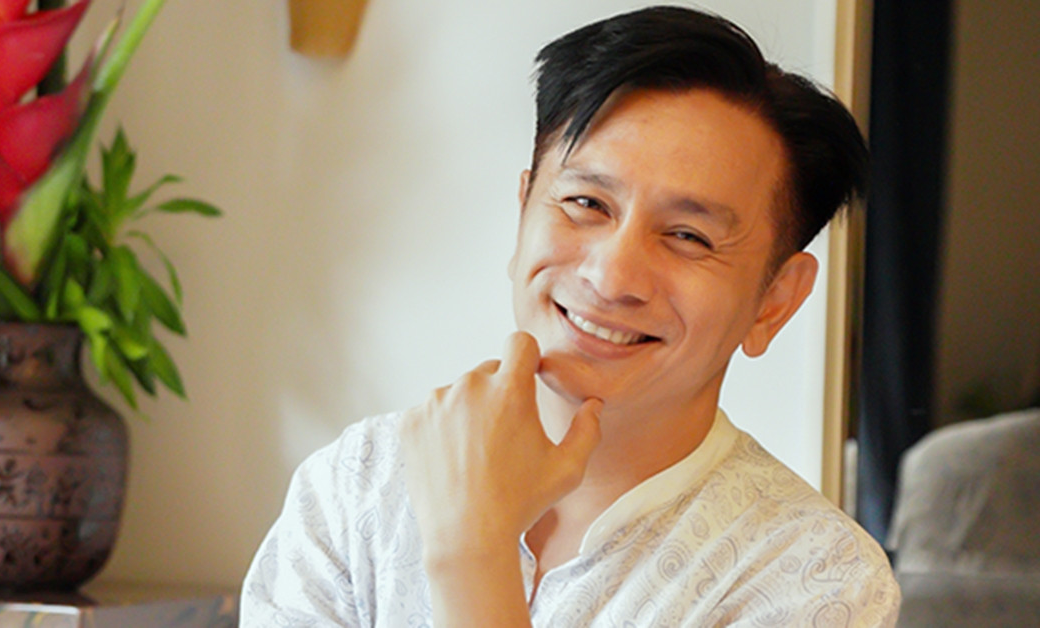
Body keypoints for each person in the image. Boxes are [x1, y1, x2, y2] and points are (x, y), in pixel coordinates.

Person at [240, 6, 900, 626]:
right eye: (586, 203)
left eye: (687, 236)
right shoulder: (357, 483)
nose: (611, 277)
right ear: (524, 209)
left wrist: (472, 555)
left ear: (774, 300)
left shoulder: (817, 578)